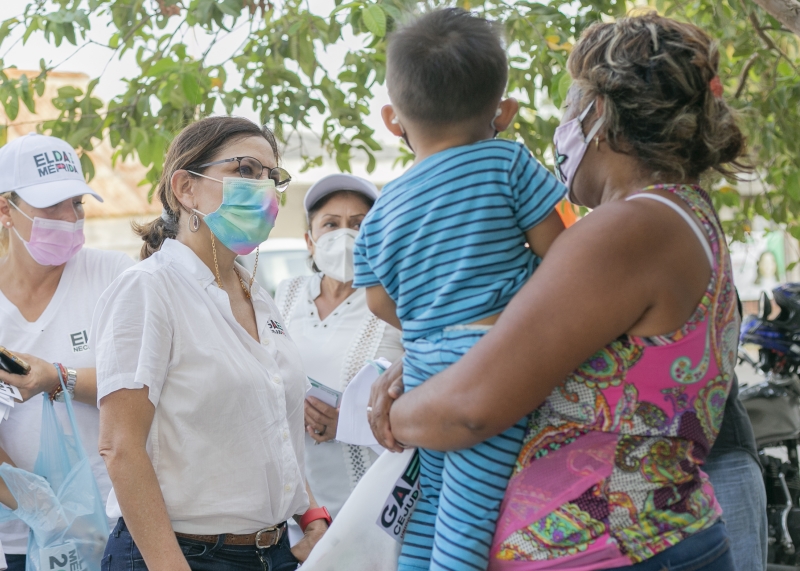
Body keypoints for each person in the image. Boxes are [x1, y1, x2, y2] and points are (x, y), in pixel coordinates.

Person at [370, 13, 749, 571]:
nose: (564, 123)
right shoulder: (674, 215)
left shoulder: (626, 229)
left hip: (618, 551)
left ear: (599, 114)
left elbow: (469, 411)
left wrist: (392, 415)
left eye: (571, 105)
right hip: (653, 542)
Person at [354, 9, 567, 571]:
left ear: (392, 120)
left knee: (426, 506)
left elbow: (377, 301)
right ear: (503, 111)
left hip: (424, 366)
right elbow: (561, 257)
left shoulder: (381, 209)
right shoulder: (508, 161)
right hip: (492, 361)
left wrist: (431, 321)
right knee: (468, 520)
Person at [93, 117, 328, 571]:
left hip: (273, 551)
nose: (265, 189)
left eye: (272, 177)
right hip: (182, 555)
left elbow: (273, 431)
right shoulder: (149, 290)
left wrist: (312, 516)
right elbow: (120, 447)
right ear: (186, 188)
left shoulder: (257, 296)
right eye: (246, 170)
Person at [0, 133, 134, 571]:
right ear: (5, 210)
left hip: (116, 525)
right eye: (51, 205)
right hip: (21, 536)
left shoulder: (114, 276)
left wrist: (57, 378)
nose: (70, 218)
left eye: (76, 203)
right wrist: (38, 507)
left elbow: (145, 383)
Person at [274, 174, 403, 529]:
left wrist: (347, 424)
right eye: (331, 224)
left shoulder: (395, 301)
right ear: (310, 240)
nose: (345, 235)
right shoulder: (287, 292)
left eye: (358, 224)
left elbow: (423, 391)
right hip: (295, 504)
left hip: (372, 502)